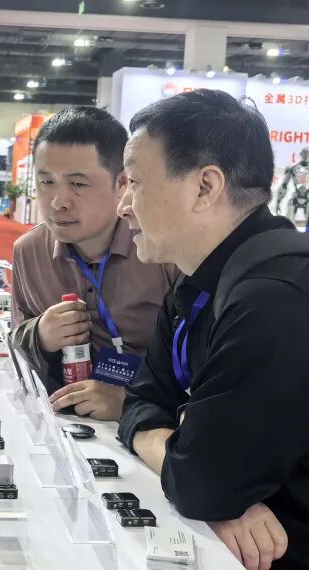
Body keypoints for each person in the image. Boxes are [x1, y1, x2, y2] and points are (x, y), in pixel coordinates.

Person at [118, 89, 309, 569]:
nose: (124, 205)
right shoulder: (197, 283)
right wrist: (179, 449)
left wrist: (197, 471)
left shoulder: (274, 299)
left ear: (205, 187)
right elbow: (141, 400)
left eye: (135, 182)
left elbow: (201, 484)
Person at [10, 107, 177, 420]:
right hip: (61, 423)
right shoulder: (29, 251)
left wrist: (129, 400)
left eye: (78, 184)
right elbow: (15, 344)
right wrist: (39, 333)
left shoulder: (163, 251)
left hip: (152, 422)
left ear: (122, 183)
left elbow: (201, 365)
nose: (58, 201)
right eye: (46, 181)